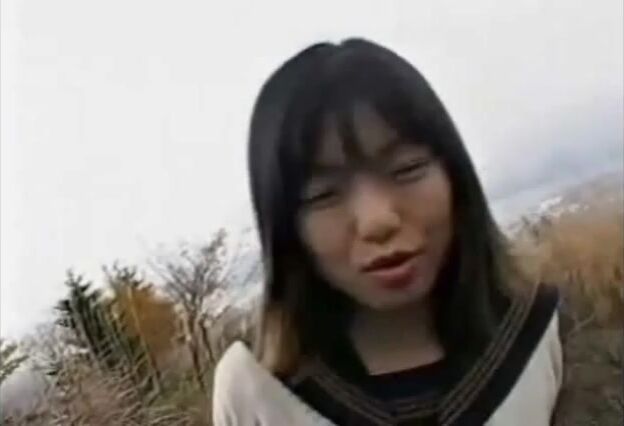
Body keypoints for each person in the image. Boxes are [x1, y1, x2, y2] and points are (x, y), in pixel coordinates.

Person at [212, 38, 562, 426]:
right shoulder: (256, 388)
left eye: (407, 169)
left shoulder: (539, 335)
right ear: (285, 229)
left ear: (455, 176)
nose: (378, 222)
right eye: (324, 194)